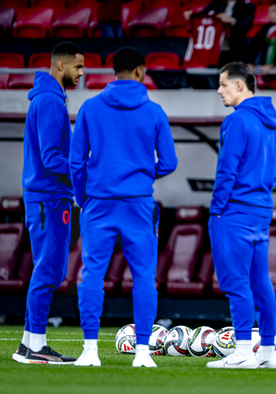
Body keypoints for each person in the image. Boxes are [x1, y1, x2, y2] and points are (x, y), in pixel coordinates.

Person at [70, 47, 178, 368]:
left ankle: (90, 350)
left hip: (98, 204)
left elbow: (76, 162)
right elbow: (169, 162)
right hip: (138, 204)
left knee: (91, 274)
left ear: (112, 72)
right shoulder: (155, 111)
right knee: (144, 276)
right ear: (141, 72)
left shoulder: (90, 108)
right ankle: (143, 352)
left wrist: (83, 197)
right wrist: (143, 175)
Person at [206, 62, 276, 369]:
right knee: (260, 282)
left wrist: (216, 209)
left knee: (235, 281)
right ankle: (267, 352)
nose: (219, 90)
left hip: (234, 210)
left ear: (240, 86)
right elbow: (275, 170)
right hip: (261, 208)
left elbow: (227, 169)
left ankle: (241, 351)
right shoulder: (271, 122)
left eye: (223, 84)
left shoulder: (237, 121)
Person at [13, 42, 84, 365]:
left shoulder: (47, 98)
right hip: (49, 198)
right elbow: (52, 158)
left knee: (47, 269)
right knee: (49, 270)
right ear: (61, 66)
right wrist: (85, 168)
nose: (81, 73)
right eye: (78, 67)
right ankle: (36, 346)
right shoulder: (51, 101)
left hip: (45, 197)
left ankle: (29, 345)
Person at [198, 0, 256, 65]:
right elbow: (201, 15)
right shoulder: (217, 3)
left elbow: (246, 25)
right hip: (216, 48)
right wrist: (192, 14)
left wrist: (231, 20)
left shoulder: (248, 5)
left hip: (236, 49)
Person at [246, 0, 276, 89]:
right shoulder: (266, 29)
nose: (271, 14)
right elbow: (253, 47)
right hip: (265, 74)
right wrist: (249, 63)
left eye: (274, 11)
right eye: (270, 11)